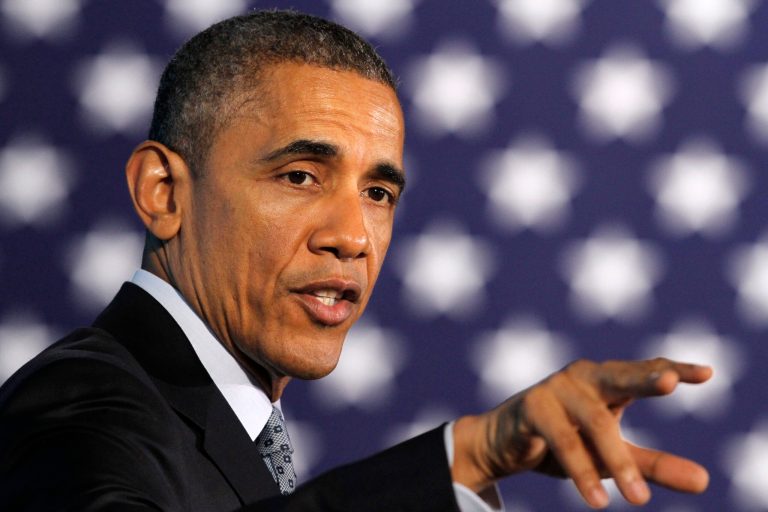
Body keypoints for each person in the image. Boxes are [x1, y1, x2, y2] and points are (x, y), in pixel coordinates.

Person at [0, 9, 712, 511]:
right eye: (300, 176)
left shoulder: (224, 421)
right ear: (163, 193)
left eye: (378, 193)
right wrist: (457, 462)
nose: (353, 236)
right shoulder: (78, 406)